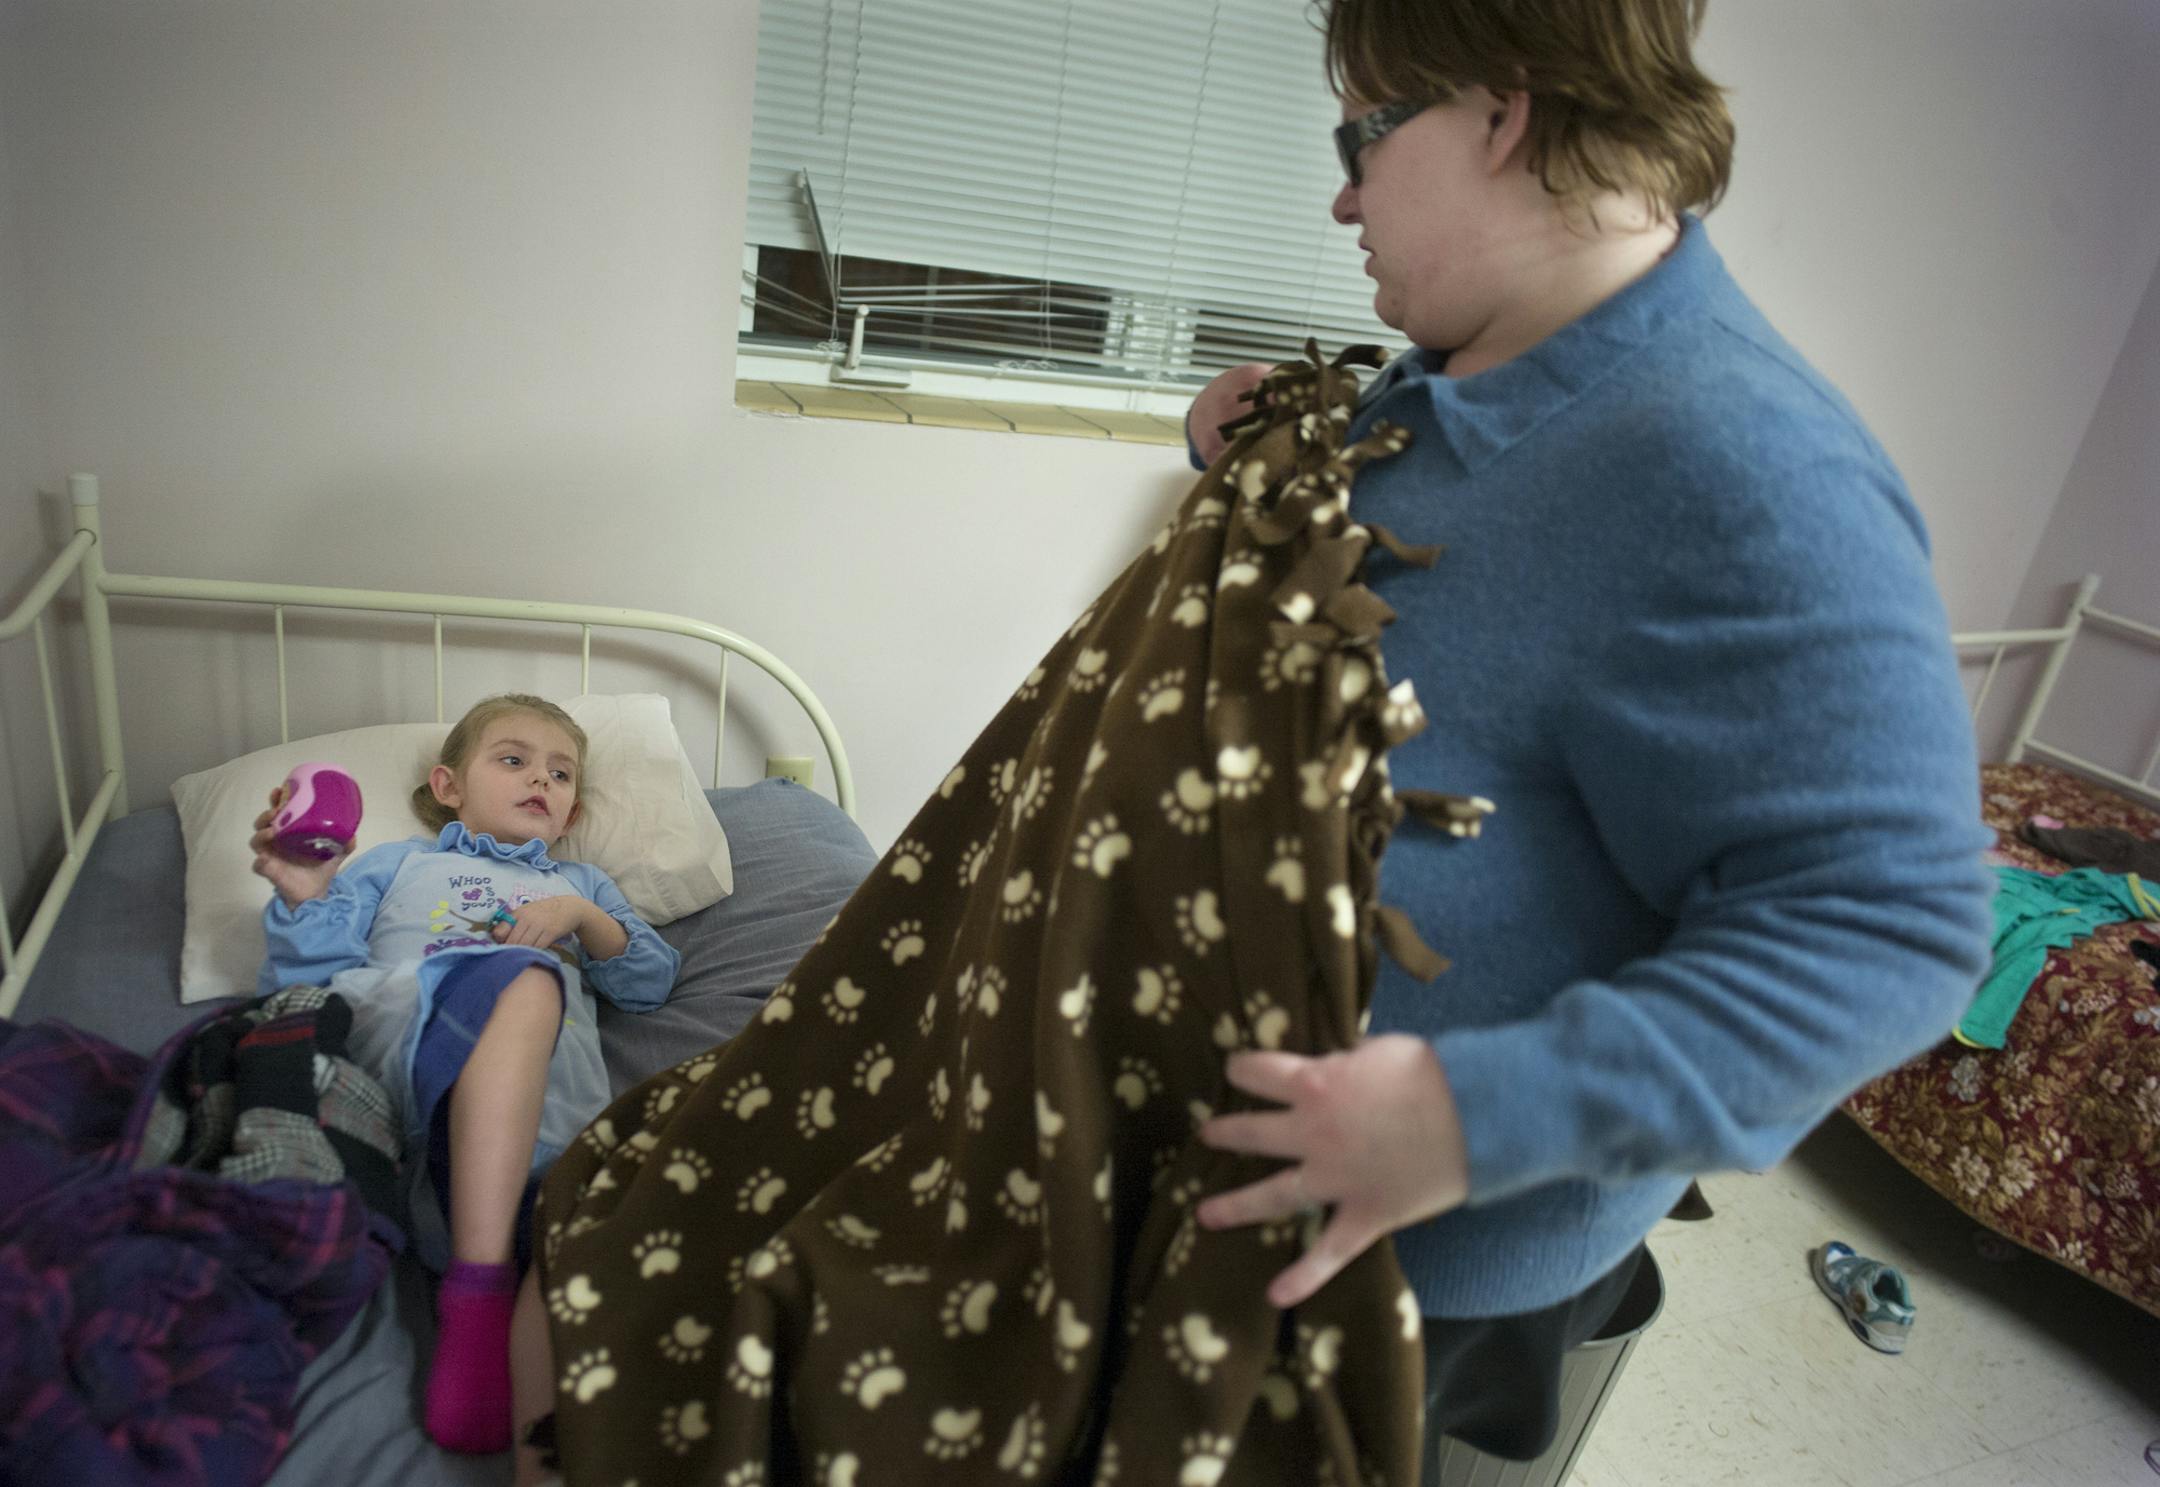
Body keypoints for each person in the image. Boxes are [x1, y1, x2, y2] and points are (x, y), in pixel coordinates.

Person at [1187, 0, 1993, 1466]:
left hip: (1415, 1266)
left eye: (1360, 135)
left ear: (1503, 109)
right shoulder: (1463, 368)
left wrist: (1465, 1113)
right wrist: (1253, 467)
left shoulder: (1743, 466)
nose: (1341, 194)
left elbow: (1897, 931)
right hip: (1269, 1187)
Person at [251, 692, 680, 1455]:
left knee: (569, 1246)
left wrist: (579, 918)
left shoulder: (581, 886)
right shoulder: (402, 862)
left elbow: (646, 983)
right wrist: (306, 893)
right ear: (448, 785)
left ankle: (538, 1451)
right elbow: (314, 970)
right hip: (413, 1060)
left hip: (542, 1117)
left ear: (572, 814)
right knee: (521, 976)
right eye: (513, 760)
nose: (539, 781)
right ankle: (478, 1288)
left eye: (560, 773)